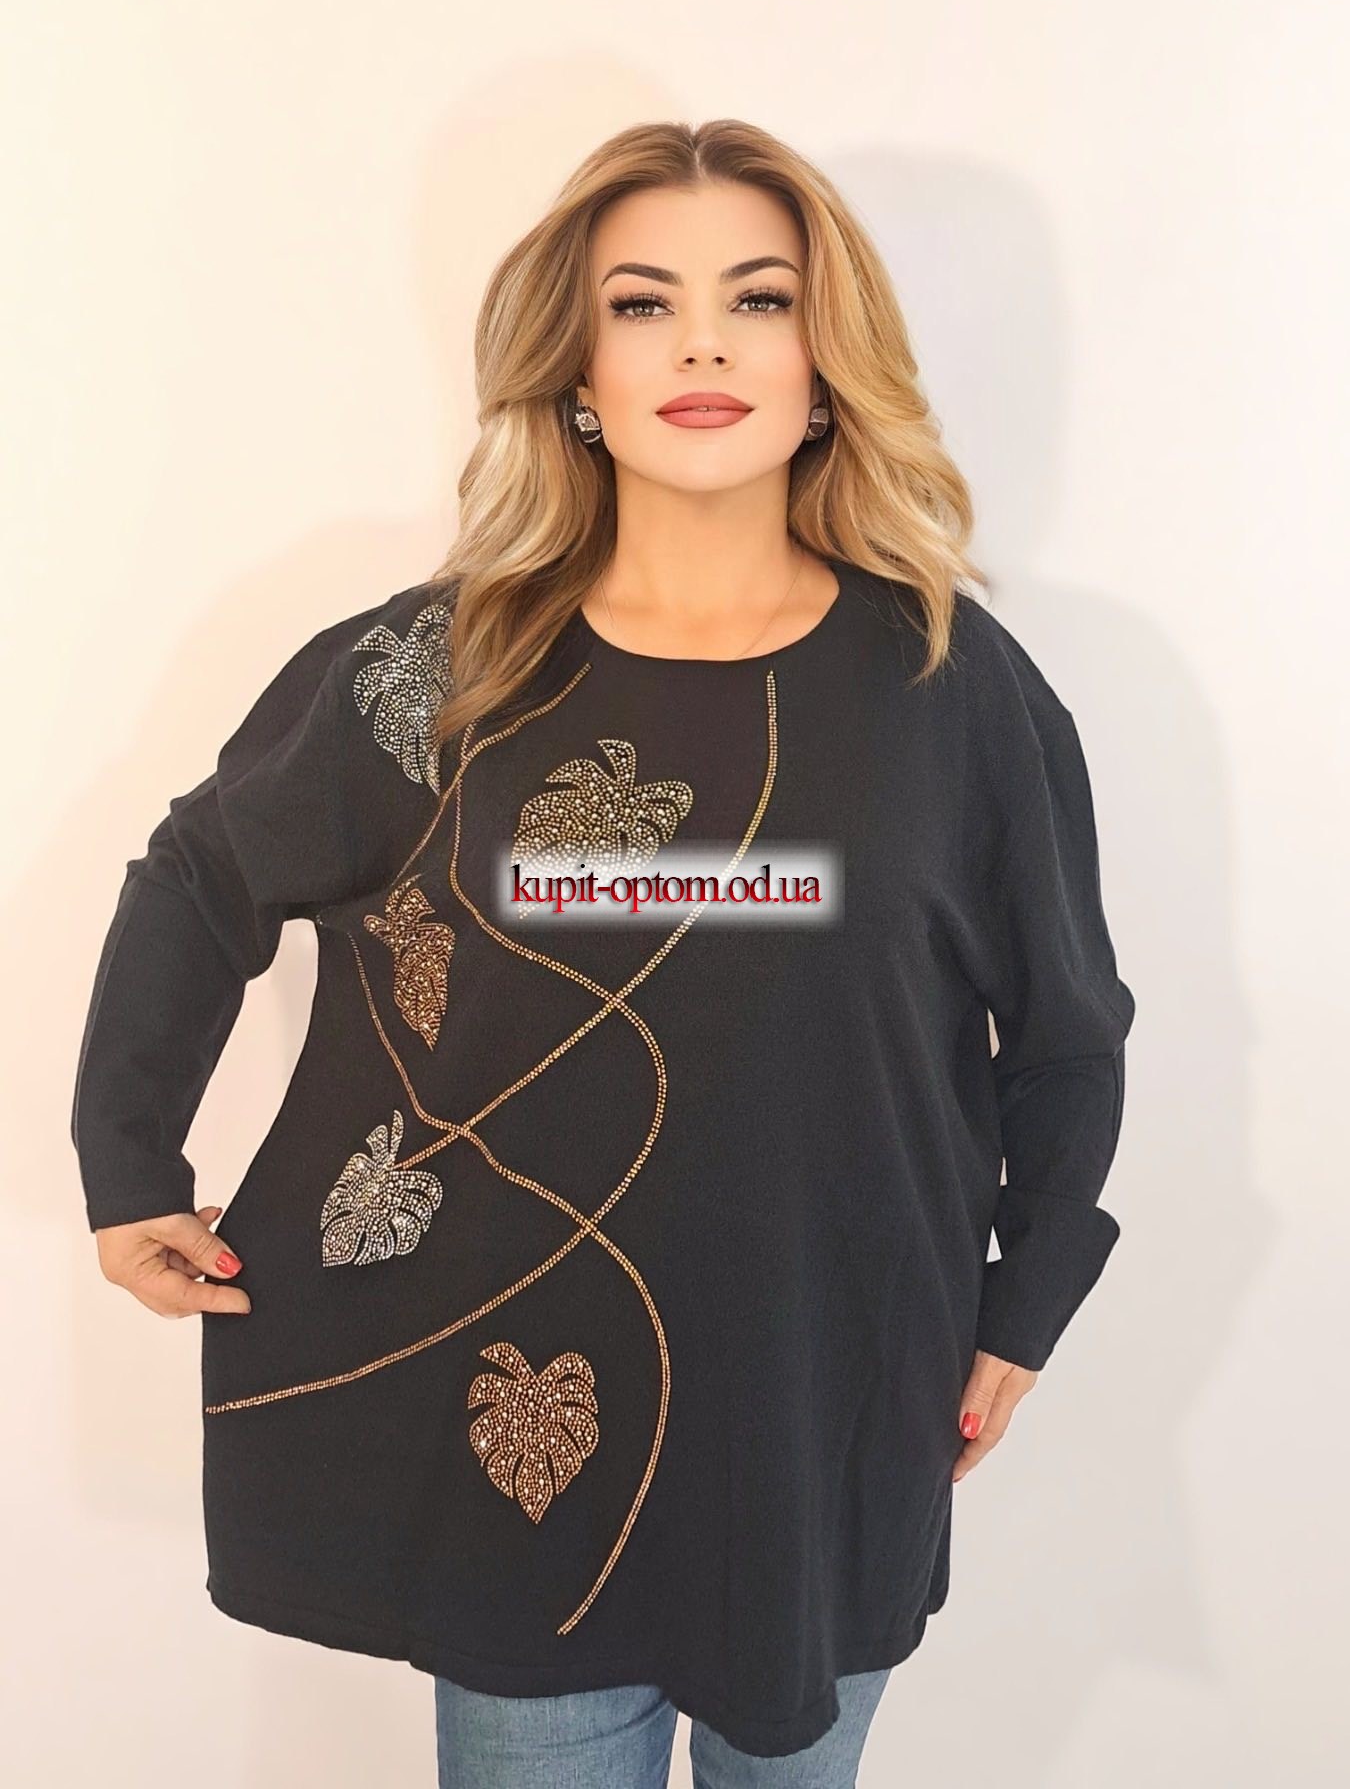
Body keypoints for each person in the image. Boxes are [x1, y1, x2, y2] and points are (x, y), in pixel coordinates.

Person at [70, 119, 1136, 1787]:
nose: (702, 344)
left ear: (825, 362)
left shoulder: (949, 687)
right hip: (515, 1430)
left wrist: (1026, 1300)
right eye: (643, 304)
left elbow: (1064, 1029)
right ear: (575, 371)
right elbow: (204, 875)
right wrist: (127, 1158)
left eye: (756, 299)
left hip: (827, 1400)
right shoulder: (445, 668)